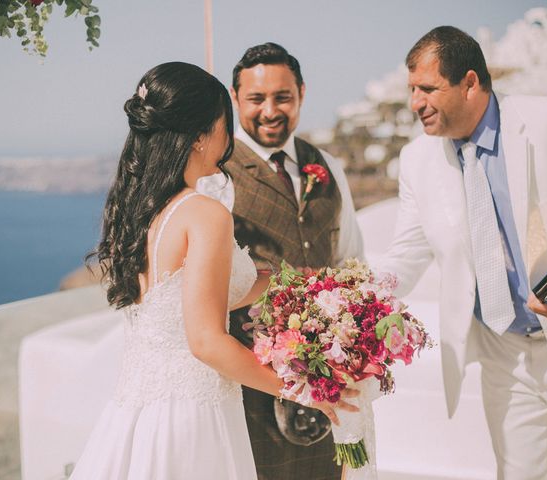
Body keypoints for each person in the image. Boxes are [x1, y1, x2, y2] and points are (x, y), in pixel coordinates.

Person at [69, 61, 358, 480]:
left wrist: (286, 278)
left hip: (139, 414)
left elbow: (197, 298)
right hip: (192, 417)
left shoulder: (146, 210)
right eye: (224, 122)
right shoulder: (204, 213)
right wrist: (302, 389)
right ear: (202, 135)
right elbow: (205, 340)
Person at [377, 26, 547, 479]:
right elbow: (406, 255)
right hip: (504, 352)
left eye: (428, 89)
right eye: (412, 90)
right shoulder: (417, 160)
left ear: (470, 83)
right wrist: (348, 306)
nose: (416, 102)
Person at [198, 43, 364, 480]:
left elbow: (351, 260)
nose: (270, 111)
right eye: (256, 99)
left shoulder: (327, 166)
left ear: (302, 94)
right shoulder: (215, 176)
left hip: (329, 382)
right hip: (251, 390)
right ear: (235, 99)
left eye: (282, 97)